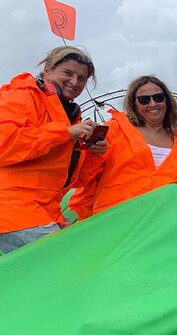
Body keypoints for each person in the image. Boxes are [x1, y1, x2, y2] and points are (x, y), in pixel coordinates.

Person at [0, 46, 107, 254]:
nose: (75, 82)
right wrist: (64, 132)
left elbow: (76, 181)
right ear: (47, 70)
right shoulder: (22, 95)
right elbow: (4, 144)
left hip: (43, 211)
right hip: (13, 210)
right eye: (67, 73)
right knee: (69, 262)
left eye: (82, 78)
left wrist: (94, 152)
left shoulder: (67, 113)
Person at [70, 75, 177, 219]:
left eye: (158, 97)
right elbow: (84, 174)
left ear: (167, 101)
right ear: (133, 104)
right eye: (144, 100)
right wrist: (93, 149)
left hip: (159, 219)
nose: (153, 104)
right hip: (114, 218)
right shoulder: (115, 129)